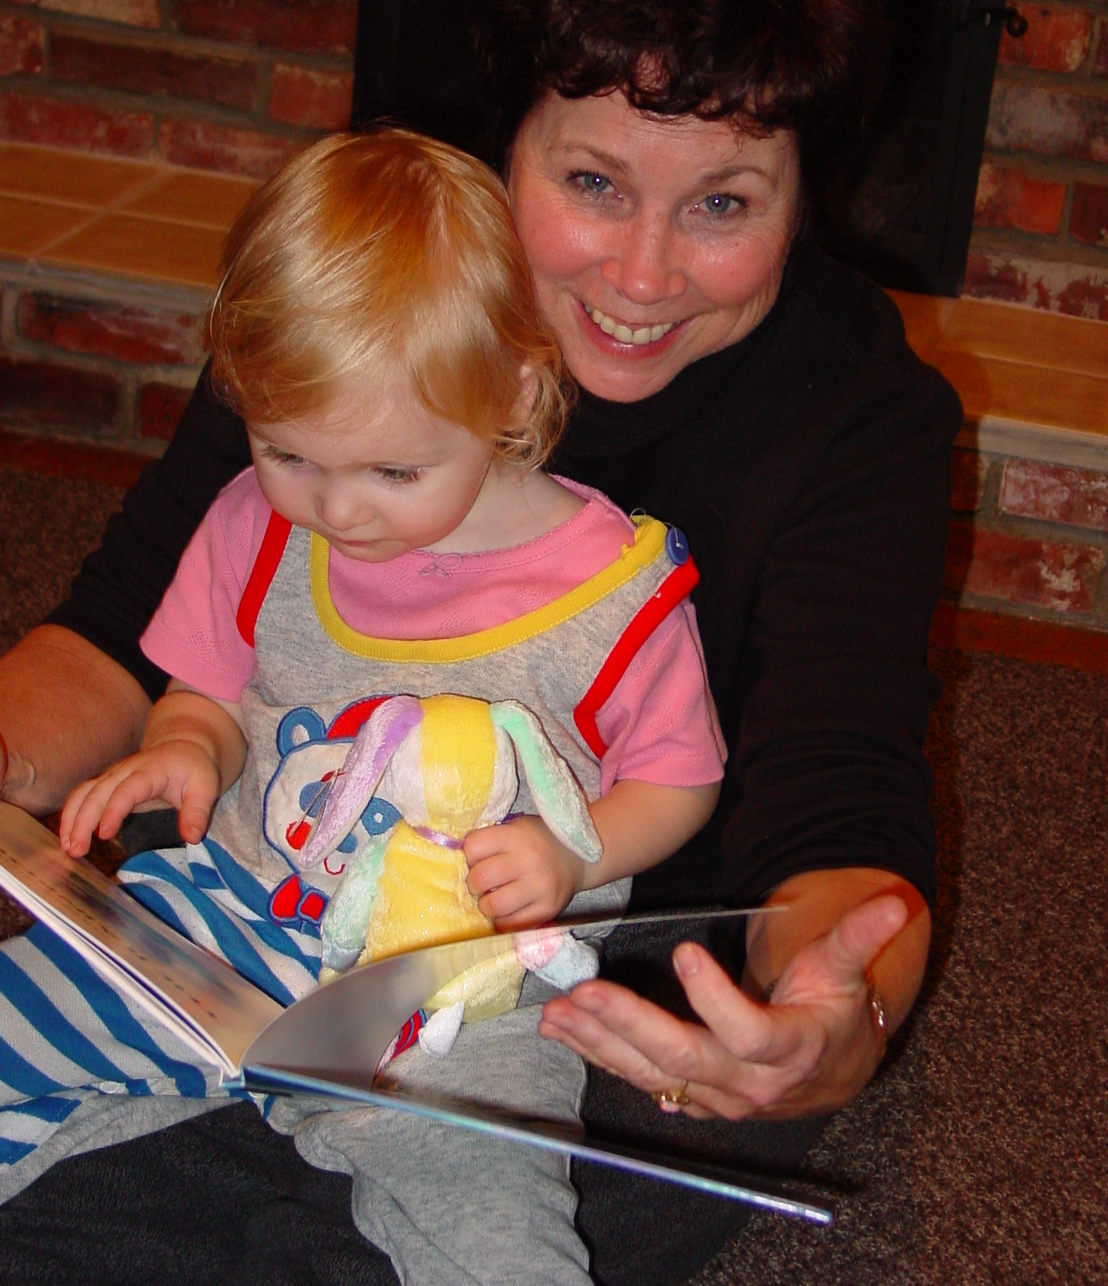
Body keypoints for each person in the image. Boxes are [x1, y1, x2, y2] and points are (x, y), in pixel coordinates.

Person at [0, 0, 961, 1286]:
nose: (640, 274)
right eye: (592, 180)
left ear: (802, 200)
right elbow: (122, 626)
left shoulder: (861, 417)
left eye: (722, 203)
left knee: (517, 1195)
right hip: (263, 888)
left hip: (582, 968)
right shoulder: (359, 306)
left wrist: (832, 1022)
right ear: (504, 142)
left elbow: (838, 797)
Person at [5, 128, 727, 1284]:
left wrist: (572, 850)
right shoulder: (253, 521)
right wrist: (184, 748)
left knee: (486, 1204)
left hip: (464, 983)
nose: (336, 510)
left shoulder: (617, 595)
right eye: (287, 452)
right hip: (228, 912)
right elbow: (209, 691)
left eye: (394, 471)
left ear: (514, 391)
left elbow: (680, 782)